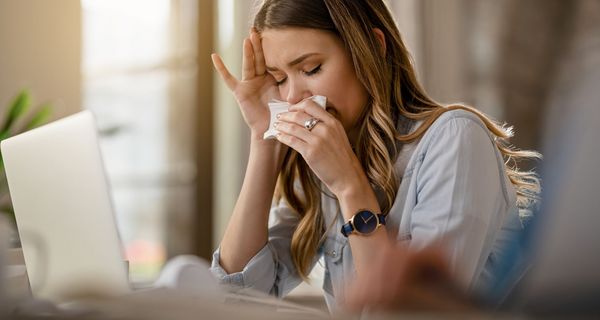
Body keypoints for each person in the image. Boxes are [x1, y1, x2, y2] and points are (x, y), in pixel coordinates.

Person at [209, 0, 540, 312]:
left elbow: (406, 315)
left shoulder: (454, 139)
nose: (293, 97)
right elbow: (236, 296)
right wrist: (263, 137)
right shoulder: (321, 163)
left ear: (372, 48)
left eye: (311, 69)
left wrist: (350, 187)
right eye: (280, 79)